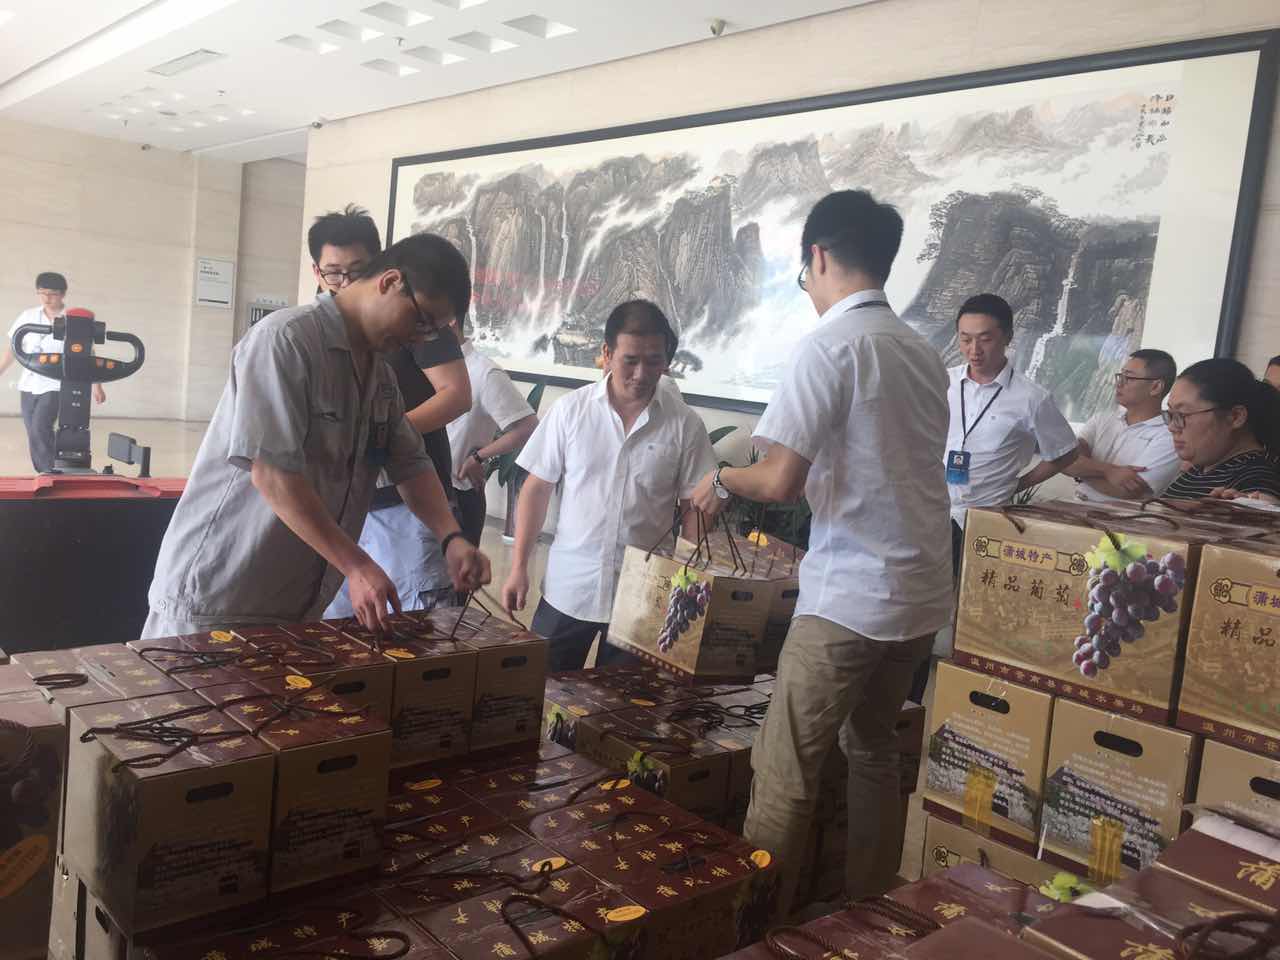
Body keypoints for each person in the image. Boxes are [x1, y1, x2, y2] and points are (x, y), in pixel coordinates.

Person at [690, 190, 953, 916]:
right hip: (920, 592)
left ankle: (757, 926)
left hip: (850, 599)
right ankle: (870, 913)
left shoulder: (830, 345)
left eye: (804, 274)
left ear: (818, 257)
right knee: (874, 750)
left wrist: (720, 479)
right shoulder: (921, 352)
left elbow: (779, 479)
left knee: (785, 771)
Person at [143, 233, 491, 639]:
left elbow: (410, 463)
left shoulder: (379, 376)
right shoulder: (287, 340)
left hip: (295, 601)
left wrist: (451, 538)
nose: (419, 338)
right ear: (390, 281)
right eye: (422, 321)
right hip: (220, 593)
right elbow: (273, 475)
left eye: (432, 332)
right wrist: (357, 565)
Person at [501, 300, 715, 671]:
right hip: (569, 589)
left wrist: (685, 579)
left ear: (666, 361)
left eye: (654, 361)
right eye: (630, 360)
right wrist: (519, 566)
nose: (641, 373)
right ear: (607, 354)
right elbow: (536, 489)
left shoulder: (685, 425)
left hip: (642, 598)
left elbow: (694, 507)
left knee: (623, 701)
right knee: (540, 687)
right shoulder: (571, 411)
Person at [307, 207, 472, 616]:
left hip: (402, 508)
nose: (346, 284)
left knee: (410, 624)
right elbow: (273, 471)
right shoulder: (299, 339)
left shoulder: (410, 325)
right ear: (317, 273)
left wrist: (381, 437)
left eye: (356, 270)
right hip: (341, 509)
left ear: (383, 272)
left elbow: (454, 397)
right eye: (334, 274)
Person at [944, 293, 1078, 562]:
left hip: (986, 519)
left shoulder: (1032, 397)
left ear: (1008, 337)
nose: (974, 350)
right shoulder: (943, 381)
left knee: (974, 586)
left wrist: (1017, 484)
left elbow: (1066, 452)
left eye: (985, 339)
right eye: (966, 339)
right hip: (935, 512)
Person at [447, 319, 538, 548]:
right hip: (416, 496)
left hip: (458, 496)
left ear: (450, 321)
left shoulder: (484, 372)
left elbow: (527, 426)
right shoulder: (421, 368)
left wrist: (478, 457)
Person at [0, 272, 105, 472]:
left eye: (52, 294)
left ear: (63, 294)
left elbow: (88, 354)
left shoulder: (73, 320)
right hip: (29, 383)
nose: (47, 298)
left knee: (40, 427)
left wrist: (96, 386)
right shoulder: (28, 316)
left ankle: (48, 472)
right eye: (42, 293)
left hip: (57, 383)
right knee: (33, 431)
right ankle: (49, 469)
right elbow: (13, 348)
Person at [1063, 349, 1181, 501]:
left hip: (1119, 514)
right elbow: (1066, 460)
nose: (1119, 383)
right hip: (1075, 503)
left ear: (1155, 387)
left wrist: (1082, 469)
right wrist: (1108, 471)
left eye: (1129, 378)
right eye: (1120, 376)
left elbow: (1126, 491)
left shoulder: (1169, 435)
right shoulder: (1102, 419)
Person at [1160, 358, 1280, 501]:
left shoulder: (1257, 478)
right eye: (1171, 415)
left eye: (1182, 414)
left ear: (1235, 417)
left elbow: (1262, 504)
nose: (1172, 427)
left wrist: (1251, 508)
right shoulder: (1197, 471)